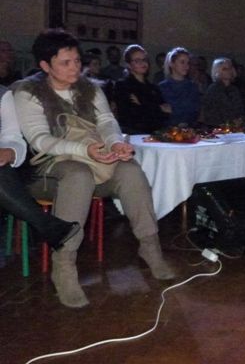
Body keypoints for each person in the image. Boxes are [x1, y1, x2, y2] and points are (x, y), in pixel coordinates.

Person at [13, 29, 174, 308]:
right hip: (45, 170)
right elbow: (39, 140)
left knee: (130, 170)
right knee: (77, 175)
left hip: (93, 161)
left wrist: (115, 143)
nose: (75, 67)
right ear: (45, 65)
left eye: (77, 60)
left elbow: (107, 122)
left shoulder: (90, 88)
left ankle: (150, 247)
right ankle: (64, 266)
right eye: (65, 62)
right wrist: (83, 150)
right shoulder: (28, 92)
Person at [0, 86, 80, 250]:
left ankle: (47, 225)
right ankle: (46, 225)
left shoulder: (2, 94)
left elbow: (13, 137)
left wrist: (11, 151)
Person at [113, 44, 171, 134]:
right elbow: (131, 116)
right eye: (137, 60)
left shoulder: (153, 88)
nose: (142, 63)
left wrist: (142, 104)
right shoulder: (123, 85)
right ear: (129, 64)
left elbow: (166, 113)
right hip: (133, 134)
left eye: (144, 60)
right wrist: (157, 108)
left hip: (153, 134)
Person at [201, 57, 245, 130]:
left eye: (230, 68)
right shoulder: (214, 89)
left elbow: (239, 108)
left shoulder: (234, 89)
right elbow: (222, 111)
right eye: (225, 69)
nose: (228, 71)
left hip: (234, 121)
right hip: (219, 124)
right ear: (217, 71)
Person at [158, 47, 200, 127]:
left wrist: (173, 110)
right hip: (169, 130)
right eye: (182, 62)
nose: (186, 66)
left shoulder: (192, 87)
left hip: (189, 130)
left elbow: (194, 112)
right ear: (172, 64)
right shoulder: (162, 87)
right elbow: (162, 114)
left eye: (188, 63)